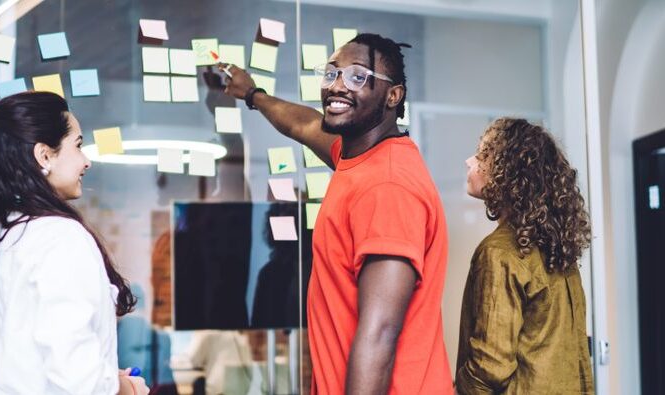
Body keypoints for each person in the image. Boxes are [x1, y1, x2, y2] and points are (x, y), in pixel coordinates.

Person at [219, 33, 452, 394]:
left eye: (358, 76)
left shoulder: (388, 187)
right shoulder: (357, 156)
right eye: (331, 73)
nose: (337, 86)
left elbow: (380, 333)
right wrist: (253, 95)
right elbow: (303, 124)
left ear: (393, 96)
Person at [0, 92, 149, 395]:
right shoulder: (60, 238)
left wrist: (105, 376)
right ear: (44, 155)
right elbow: (79, 381)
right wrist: (127, 388)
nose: (86, 161)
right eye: (78, 145)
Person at [457, 118, 594, 394]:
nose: (469, 161)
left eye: (483, 155)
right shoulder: (557, 248)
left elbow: (489, 368)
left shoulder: (499, 252)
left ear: (509, 172)